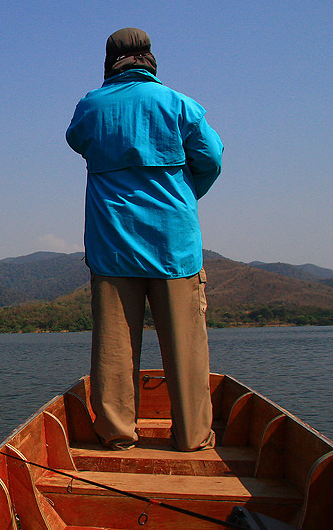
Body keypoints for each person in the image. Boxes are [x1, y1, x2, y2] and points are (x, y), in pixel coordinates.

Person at [66, 28, 224, 451]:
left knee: (114, 352)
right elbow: (211, 160)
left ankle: (117, 433)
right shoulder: (178, 104)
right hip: (174, 246)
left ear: (109, 61)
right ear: (150, 59)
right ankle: (192, 437)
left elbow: (77, 140)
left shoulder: (90, 107)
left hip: (113, 245)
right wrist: (184, 196)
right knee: (186, 350)